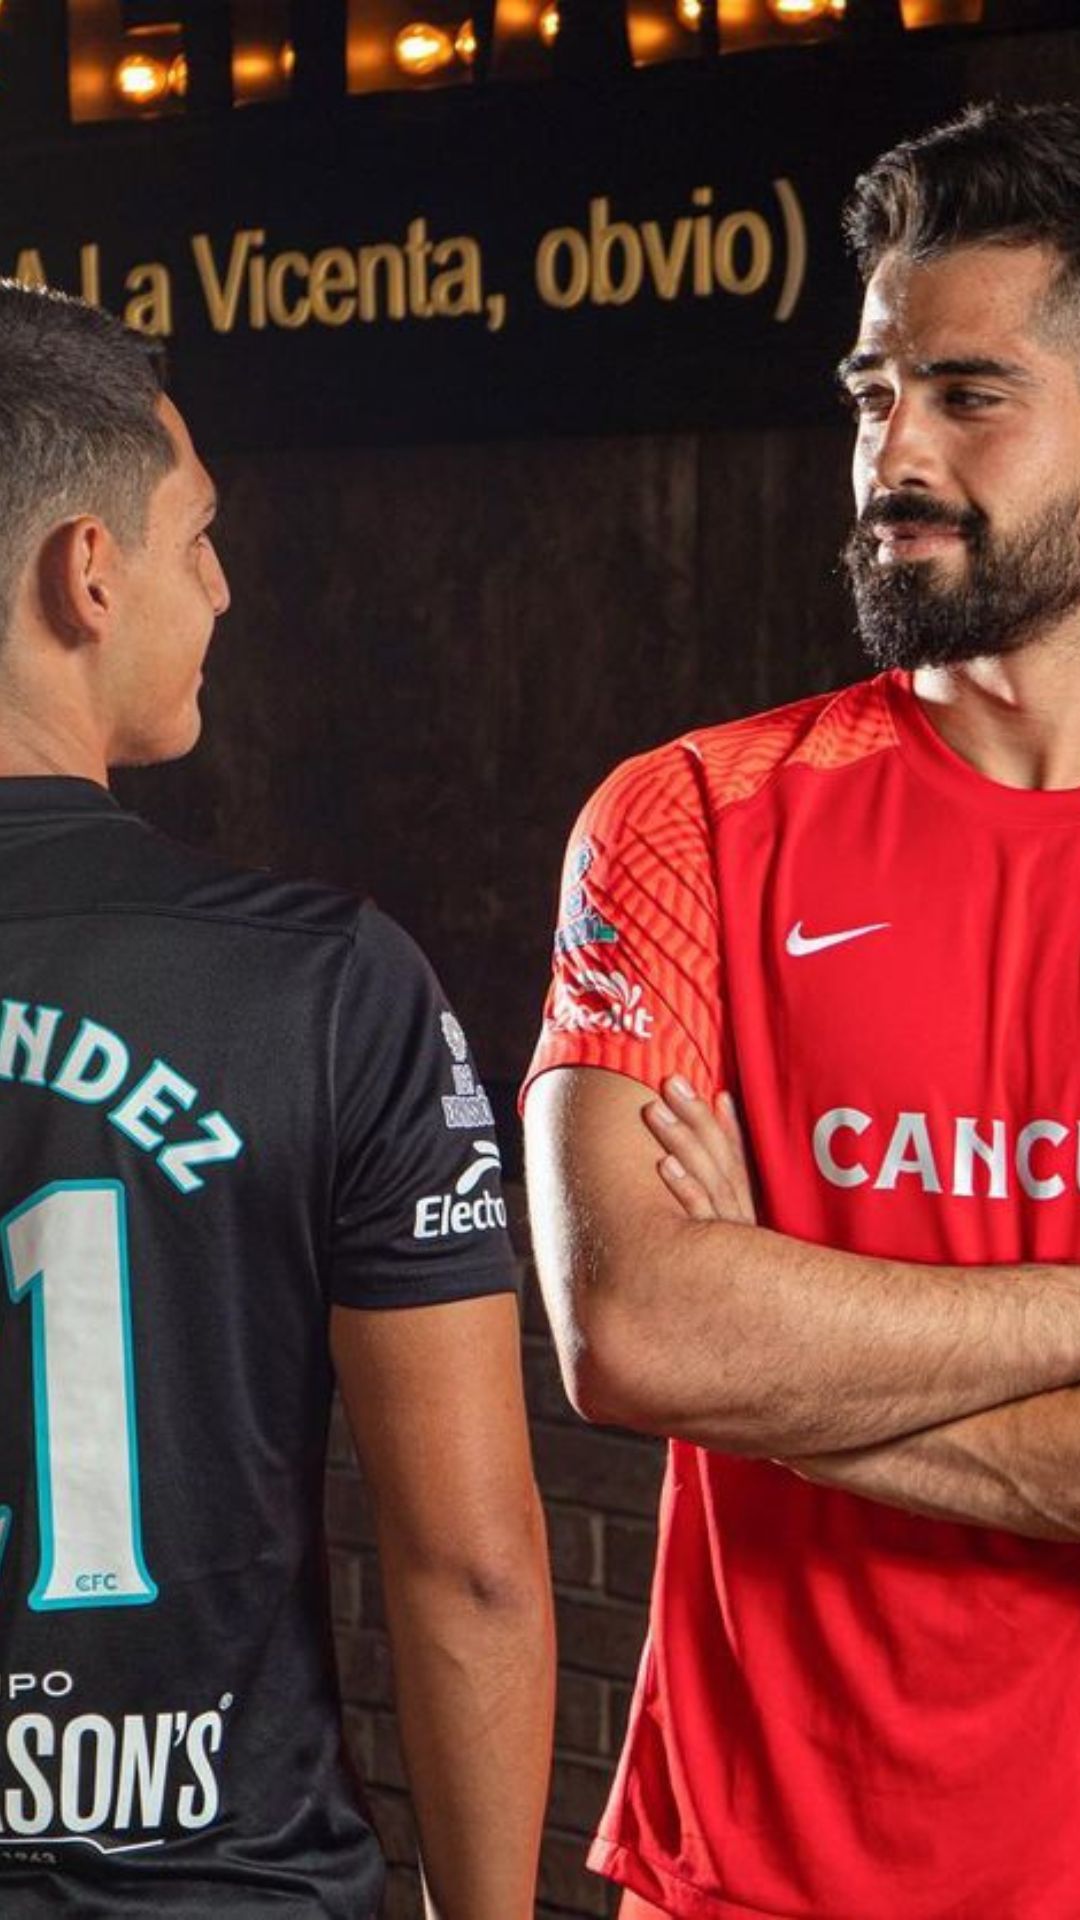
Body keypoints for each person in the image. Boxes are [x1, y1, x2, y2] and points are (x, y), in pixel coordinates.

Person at [524, 98, 1080, 1920]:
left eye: (968, 395)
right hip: (737, 1883)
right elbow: (635, 1334)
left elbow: (711, 1353)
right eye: (871, 392)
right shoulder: (688, 818)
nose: (893, 450)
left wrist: (782, 1325)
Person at [0, 280, 553, 1919]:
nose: (224, 587)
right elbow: (471, 1566)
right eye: (197, 537)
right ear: (88, 571)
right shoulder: (324, 986)